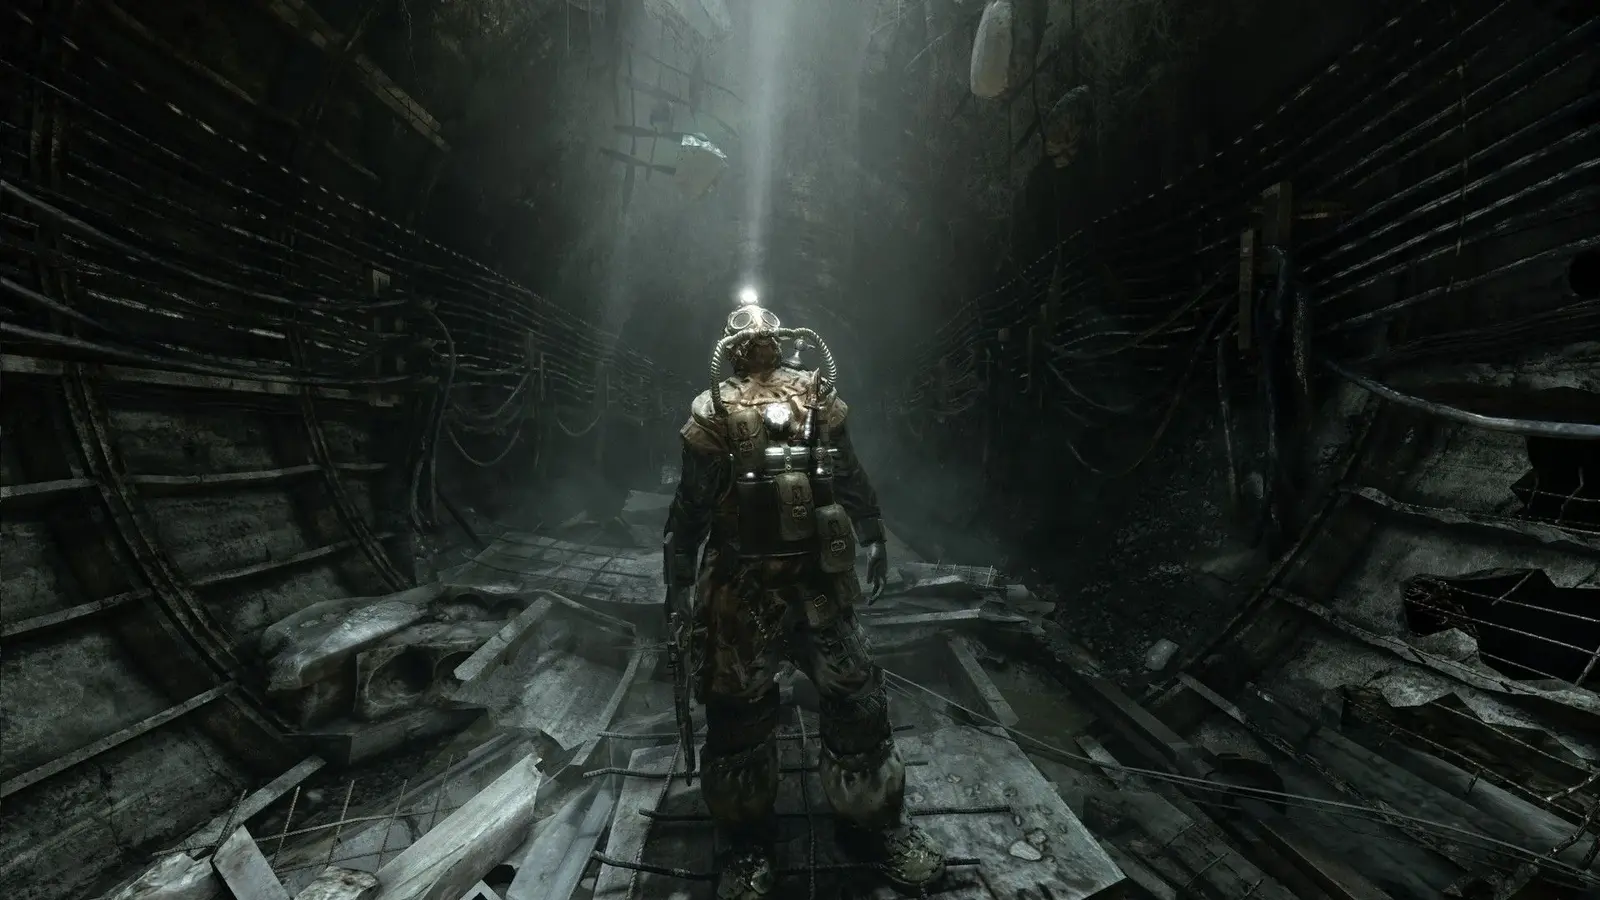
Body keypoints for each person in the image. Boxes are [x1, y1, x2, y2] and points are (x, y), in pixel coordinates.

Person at [662, 301, 944, 899]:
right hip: (743, 581)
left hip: (816, 574)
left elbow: (845, 469)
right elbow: (693, 499)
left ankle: (873, 825)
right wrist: (679, 574)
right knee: (738, 713)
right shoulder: (714, 409)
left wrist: (872, 530)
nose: (759, 344)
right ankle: (746, 842)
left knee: (856, 696)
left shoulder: (815, 394)